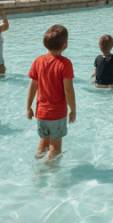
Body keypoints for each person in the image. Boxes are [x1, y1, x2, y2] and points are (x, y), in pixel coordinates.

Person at [26, 24, 76, 160]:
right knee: (56, 147)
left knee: (43, 143)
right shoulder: (65, 64)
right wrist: (73, 110)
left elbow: (32, 86)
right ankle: (49, 170)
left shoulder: (38, 61)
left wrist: (28, 107)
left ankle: (37, 165)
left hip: (41, 113)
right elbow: (69, 90)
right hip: (57, 114)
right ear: (65, 45)